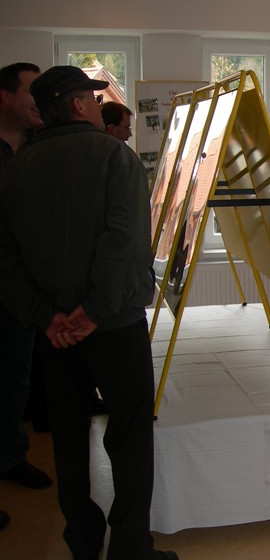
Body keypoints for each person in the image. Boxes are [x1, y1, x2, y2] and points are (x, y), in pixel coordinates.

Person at [0, 65, 178, 560]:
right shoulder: (113, 156)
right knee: (130, 436)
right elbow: (123, 243)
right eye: (95, 100)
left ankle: (82, 541)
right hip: (114, 325)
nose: (101, 108)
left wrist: (48, 317)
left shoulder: (19, 165)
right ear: (78, 105)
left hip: (57, 334)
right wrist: (94, 312)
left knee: (69, 439)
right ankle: (129, 549)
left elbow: (6, 258)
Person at [0, 62, 53, 499]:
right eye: (31, 92)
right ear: (5, 96)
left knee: (16, 375)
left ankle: (11, 457)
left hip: (24, 289)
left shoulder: (41, 145)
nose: (40, 102)